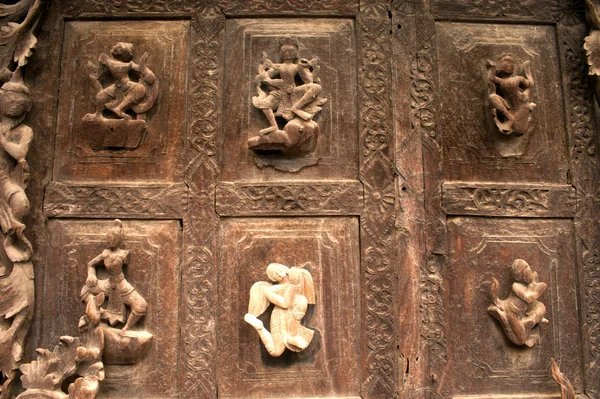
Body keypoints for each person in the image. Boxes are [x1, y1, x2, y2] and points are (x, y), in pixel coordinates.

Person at [81, 219, 147, 334]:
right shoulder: (105, 253)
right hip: (107, 284)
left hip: (121, 285)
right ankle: (96, 311)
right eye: (109, 238)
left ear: (119, 239)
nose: (110, 240)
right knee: (85, 289)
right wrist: (91, 275)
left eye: (113, 238)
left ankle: (125, 329)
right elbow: (91, 264)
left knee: (141, 306)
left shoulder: (124, 254)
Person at [252, 37, 324, 136]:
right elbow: (265, 78)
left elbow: (308, 81)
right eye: (285, 51)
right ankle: (273, 125)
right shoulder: (278, 67)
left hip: (294, 91)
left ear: (295, 53)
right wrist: (268, 78)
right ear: (281, 53)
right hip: (280, 92)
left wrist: (304, 67)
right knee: (263, 103)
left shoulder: (297, 66)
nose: (287, 53)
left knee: (316, 87)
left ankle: (296, 108)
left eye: (291, 51)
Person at [244, 263, 316, 357]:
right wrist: (293, 285)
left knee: (301, 300)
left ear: (283, 268)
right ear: (273, 279)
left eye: (277, 270)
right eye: (273, 274)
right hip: (280, 315)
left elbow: (303, 296)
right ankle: (260, 327)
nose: (277, 273)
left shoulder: (296, 280)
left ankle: (292, 336)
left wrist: (296, 278)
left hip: (293, 313)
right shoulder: (270, 291)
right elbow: (285, 304)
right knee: (275, 352)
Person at [488, 259, 549, 347]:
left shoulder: (528, 285)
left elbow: (532, 291)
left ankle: (530, 321)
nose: (530, 271)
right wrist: (540, 287)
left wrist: (535, 284)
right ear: (521, 275)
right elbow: (528, 298)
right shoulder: (516, 286)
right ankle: (503, 317)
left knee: (541, 306)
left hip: (523, 313)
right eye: (527, 270)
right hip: (512, 312)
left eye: (529, 268)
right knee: (520, 340)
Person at [90, 42, 157, 121]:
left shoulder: (129, 65)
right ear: (123, 53)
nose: (131, 55)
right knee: (100, 96)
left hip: (127, 85)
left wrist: (149, 73)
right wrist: (94, 76)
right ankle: (98, 114)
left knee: (140, 89)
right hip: (116, 86)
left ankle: (120, 108)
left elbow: (141, 69)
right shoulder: (108, 62)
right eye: (129, 53)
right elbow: (99, 73)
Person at [486, 54, 536, 135]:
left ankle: (513, 116)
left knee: (492, 97)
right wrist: (492, 68)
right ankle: (509, 118)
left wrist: (527, 70)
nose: (508, 65)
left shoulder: (514, 79)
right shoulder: (507, 80)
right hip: (510, 106)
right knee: (493, 97)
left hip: (517, 104)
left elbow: (491, 78)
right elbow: (530, 84)